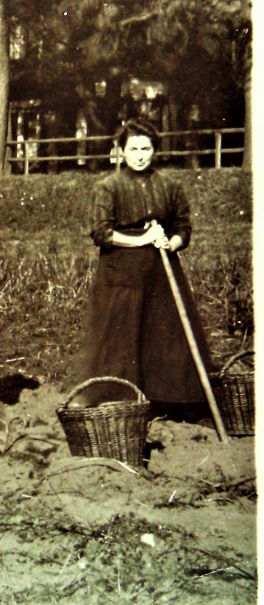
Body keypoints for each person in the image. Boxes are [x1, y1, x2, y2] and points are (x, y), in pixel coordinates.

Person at [76, 119, 213, 413]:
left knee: (164, 335)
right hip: (121, 274)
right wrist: (142, 240)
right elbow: (101, 233)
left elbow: (183, 227)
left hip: (162, 274)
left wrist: (170, 242)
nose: (139, 155)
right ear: (122, 151)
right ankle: (122, 403)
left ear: (155, 151)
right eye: (133, 148)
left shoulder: (170, 186)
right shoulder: (108, 188)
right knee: (123, 337)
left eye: (146, 148)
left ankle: (165, 401)